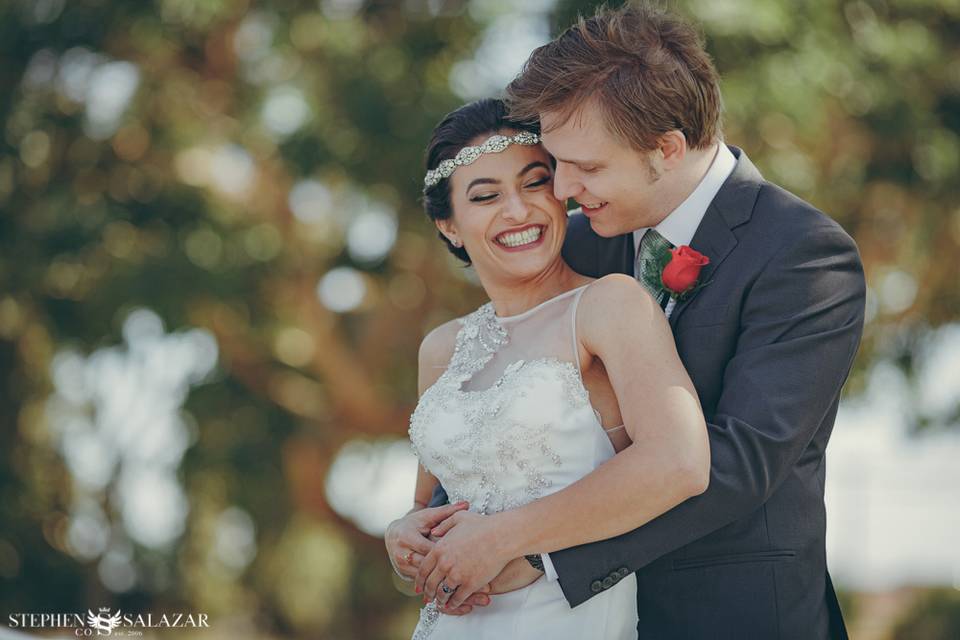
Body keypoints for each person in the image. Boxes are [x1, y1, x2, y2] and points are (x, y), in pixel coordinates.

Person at [391, 4, 866, 639]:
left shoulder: (804, 254)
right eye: (555, 163)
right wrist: (428, 525)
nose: (558, 189)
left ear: (667, 148)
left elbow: (739, 461)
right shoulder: (576, 242)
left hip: (730, 614)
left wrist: (537, 555)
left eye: (584, 167)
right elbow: (508, 425)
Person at [392, 96, 711, 640]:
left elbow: (680, 462)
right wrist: (404, 535)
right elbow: (435, 504)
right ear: (448, 225)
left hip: (566, 619)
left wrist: (501, 539)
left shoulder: (608, 306)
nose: (517, 211)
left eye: (534, 183)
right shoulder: (441, 348)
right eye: (486, 196)